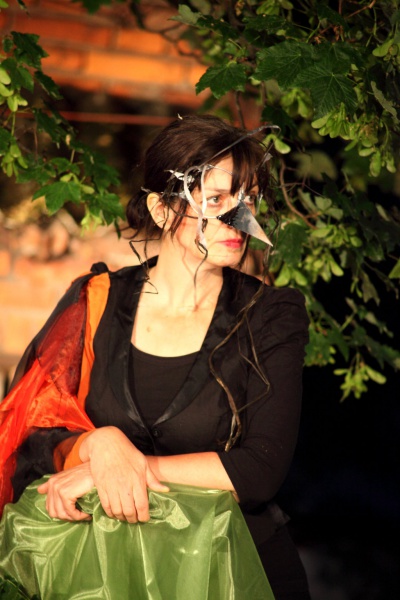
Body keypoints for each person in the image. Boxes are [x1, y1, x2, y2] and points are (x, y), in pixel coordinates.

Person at [0, 114, 311, 599]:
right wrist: (98, 445)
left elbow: (259, 471)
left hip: (231, 570)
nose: (240, 218)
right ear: (162, 209)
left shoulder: (271, 315)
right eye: (216, 200)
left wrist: (124, 468)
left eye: (248, 200)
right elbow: (32, 432)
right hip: (107, 573)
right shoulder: (96, 299)